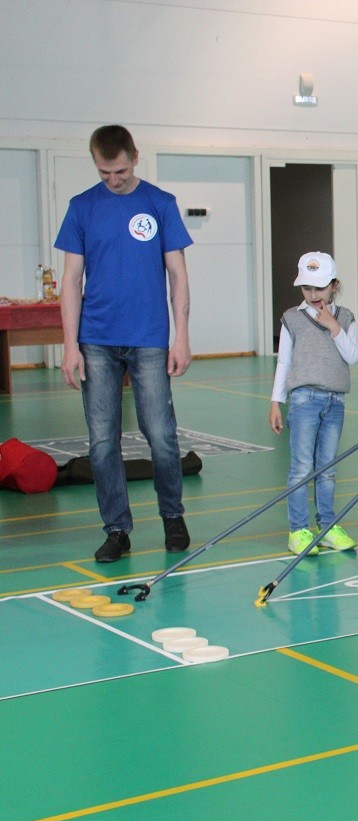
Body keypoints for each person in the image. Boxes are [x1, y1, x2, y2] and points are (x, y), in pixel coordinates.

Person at [56, 124, 193, 563]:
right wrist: (69, 345)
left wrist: (182, 336)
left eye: (118, 170)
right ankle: (117, 529)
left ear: (135, 156)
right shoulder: (82, 207)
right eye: (103, 173)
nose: (112, 180)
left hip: (149, 339)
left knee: (162, 437)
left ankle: (172, 516)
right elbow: (71, 280)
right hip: (96, 339)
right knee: (102, 442)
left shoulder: (160, 203)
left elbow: (178, 276)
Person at [269, 252, 358, 556]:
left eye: (319, 289)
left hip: (335, 402)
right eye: (307, 289)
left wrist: (334, 327)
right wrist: (275, 402)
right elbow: (283, 363)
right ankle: (298, 530)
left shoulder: (345, 317)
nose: (313, 295)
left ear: (333, 286)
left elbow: (353, 356)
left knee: (328, 468)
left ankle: (327, 526)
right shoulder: (292, 318)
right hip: (304, 400)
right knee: (301, 468)